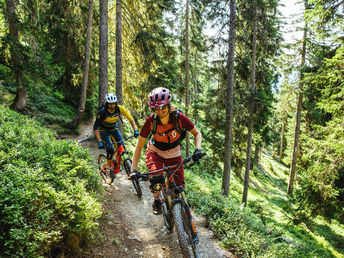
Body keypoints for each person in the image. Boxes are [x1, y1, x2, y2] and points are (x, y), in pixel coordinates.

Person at [130, 87, 203, 215]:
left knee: (179, 187)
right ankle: (157, 199)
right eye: (157, 108)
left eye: (163, 107)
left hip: (174, 153)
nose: (161, 111)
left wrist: (198, 149)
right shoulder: (151, 122)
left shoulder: (179, 117)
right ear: (153, 109)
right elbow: (139, 146)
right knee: (156, 179)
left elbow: (197, 133)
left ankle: (179, 210)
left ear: (169, 105)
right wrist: (133, 170)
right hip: (155, 152)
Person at [93, 93, 139, 178]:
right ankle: (110, 169)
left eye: (113, 103)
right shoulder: (102, 112)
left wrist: (135, 130)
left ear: (116, 103)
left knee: (122, 148)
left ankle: (126, 166)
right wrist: (99, 141)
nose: (112, 106)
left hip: (114, 129)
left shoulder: (119, 109)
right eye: (110, 104)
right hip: (104, 131)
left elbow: (130, 119)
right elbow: (95, 128)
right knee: (110, 149)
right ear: (107, 104)